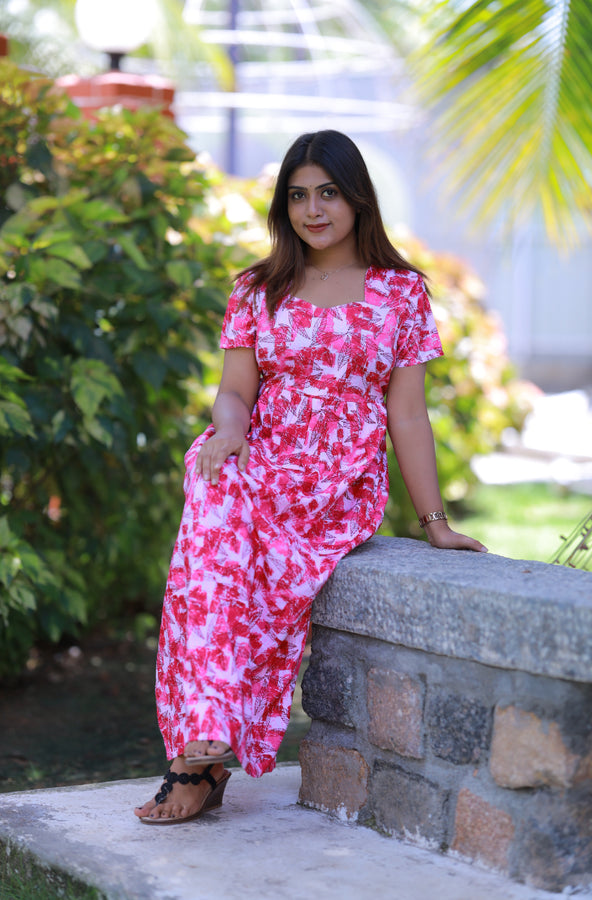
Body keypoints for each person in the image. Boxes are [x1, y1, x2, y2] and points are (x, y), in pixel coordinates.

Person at [134, 129, 487, 825]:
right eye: (298, 195)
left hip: (335, 480)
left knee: (219, 535)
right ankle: (202, 740)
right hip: (260, 455)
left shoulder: (399, 293)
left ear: (358, 196)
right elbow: (234, 391)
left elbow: (408, 416)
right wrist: (231, 427)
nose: (313, 209)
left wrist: (435, 524)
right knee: (214, 492)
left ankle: (194, 765)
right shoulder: (259, 287)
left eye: (328, 192)